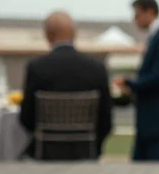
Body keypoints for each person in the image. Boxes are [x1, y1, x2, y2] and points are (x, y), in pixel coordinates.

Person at [19, 11, 113, 159]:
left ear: (48, 35)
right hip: (85, 151)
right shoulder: (96, 68)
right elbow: (106, 121)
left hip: (45, 151)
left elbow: (26, 119)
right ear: (74, 34)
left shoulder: (37, 68)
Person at [114, 0, 159, 161]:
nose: (135, 19)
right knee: (144, 172)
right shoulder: (158, 37)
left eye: (137, 14)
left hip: (158, 120)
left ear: (150, 12)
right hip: (152, 121)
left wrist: (130, 83)